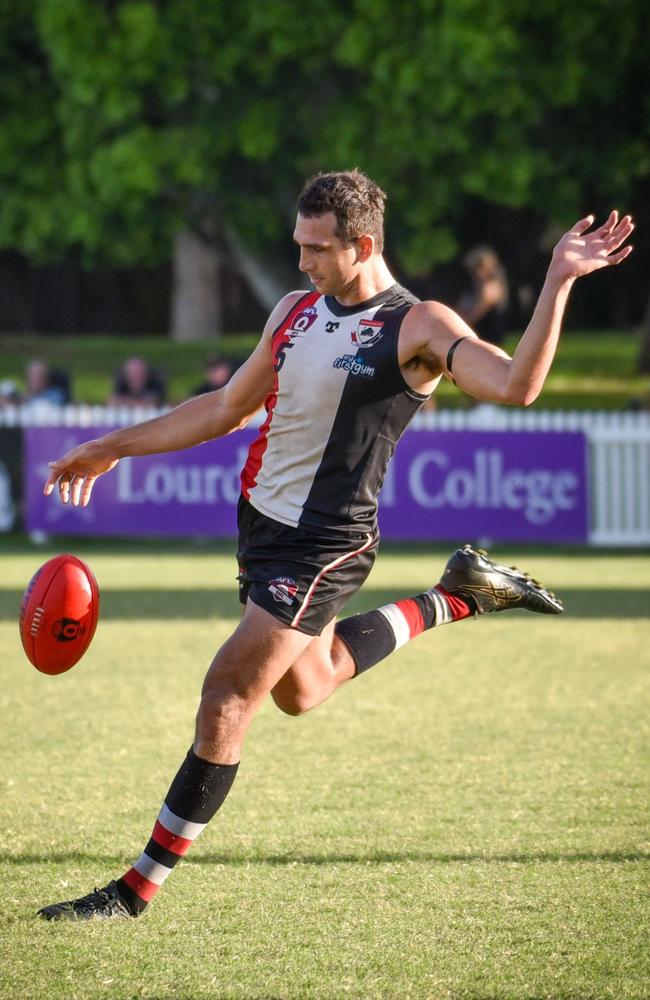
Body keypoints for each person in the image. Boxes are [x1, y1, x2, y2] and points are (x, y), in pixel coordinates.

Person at [37, 171, 633, 921]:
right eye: (299, 245)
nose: (302, 263)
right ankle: (459, 595)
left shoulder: (418, 327)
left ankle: (133, 893)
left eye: (317, 249)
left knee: (226, 697)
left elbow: (516, 385)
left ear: (365, 245)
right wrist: (113, 446)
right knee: (303, 688)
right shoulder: (294, 312)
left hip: (325, 545)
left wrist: (556, 281)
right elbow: (224, 408)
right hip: (261, 535)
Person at [457, 245, 509, 345]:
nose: (476, 273)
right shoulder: (474, 289)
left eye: (479, 267)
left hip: (490, 342)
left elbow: (473, 316)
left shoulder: (492, 288)